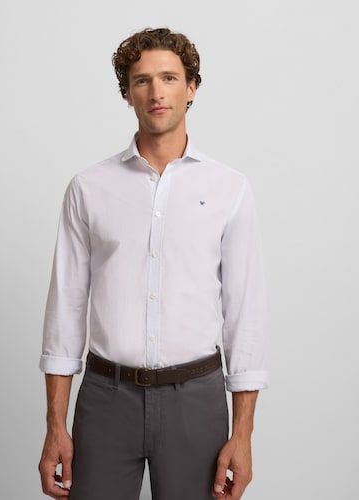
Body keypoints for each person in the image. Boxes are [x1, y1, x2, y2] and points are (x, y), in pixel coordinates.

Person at [38, 27, 269, 500]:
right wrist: (55, 425)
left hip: (196, 400)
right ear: (128, 94)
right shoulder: (89, 188)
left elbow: (245, 314)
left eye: (169, 77)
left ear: (192, 88)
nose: (156, 92)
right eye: (142, 80)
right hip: (106, 398)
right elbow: (66, 308)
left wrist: (243, 434)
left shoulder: (230, 188)